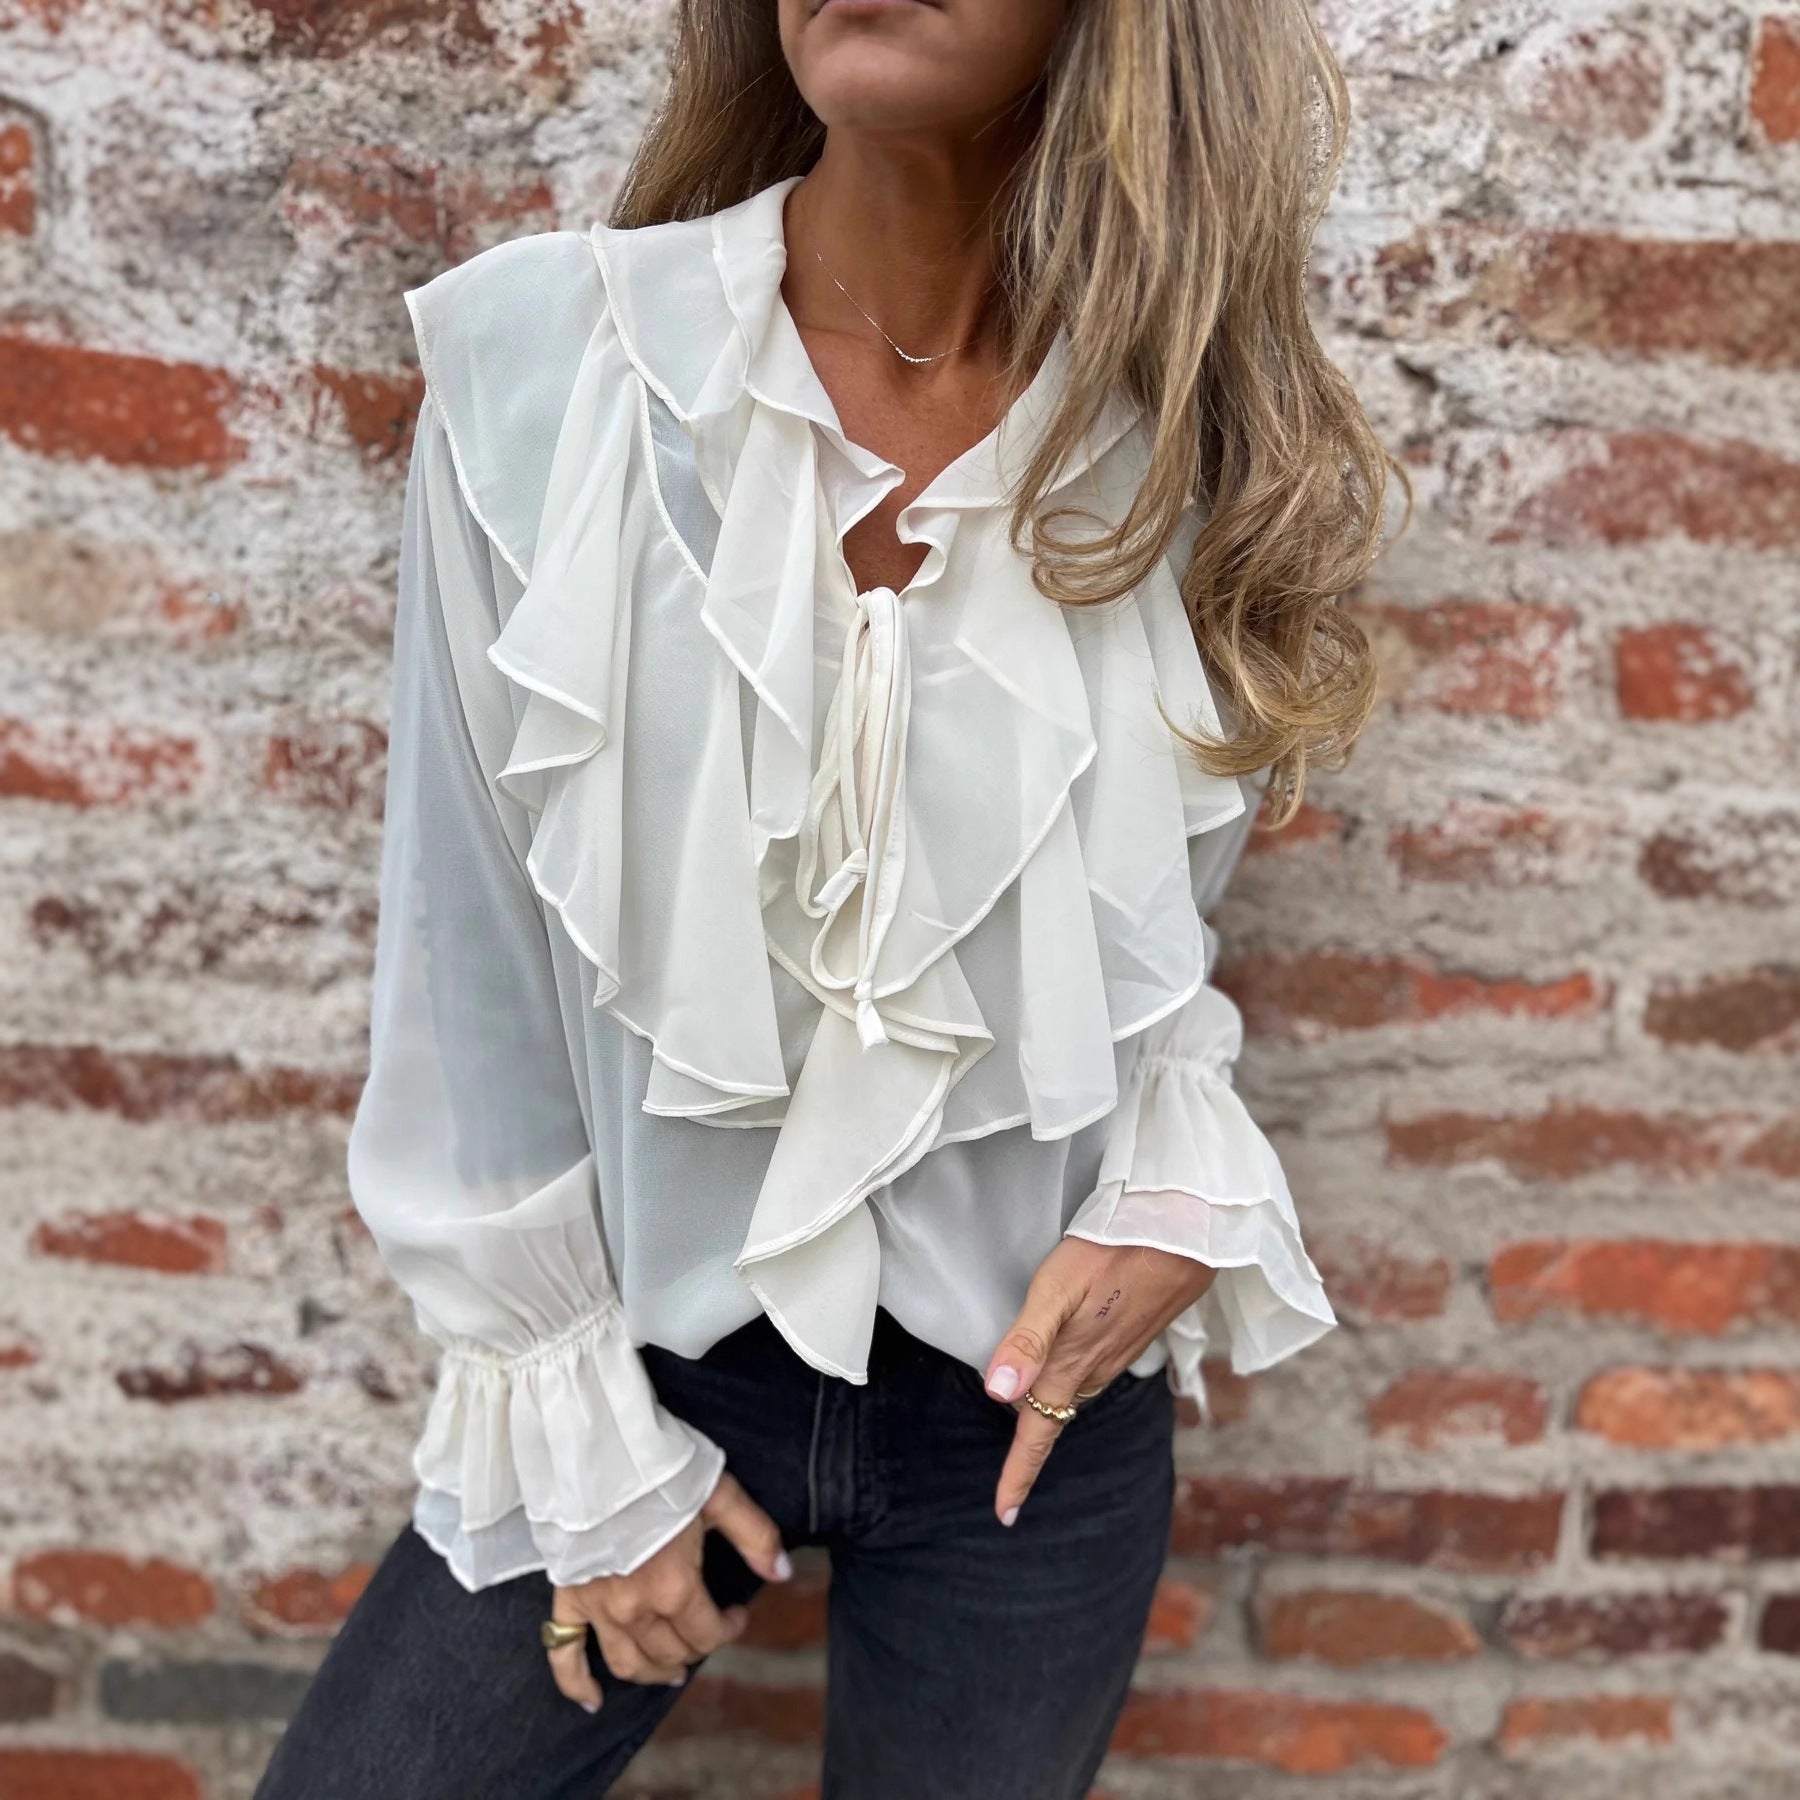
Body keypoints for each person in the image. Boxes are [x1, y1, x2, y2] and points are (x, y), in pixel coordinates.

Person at [255, 1, 1391, 1794]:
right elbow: (470, 960)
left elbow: (1154, 957)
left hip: (1034, 1420)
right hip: (646, 1369)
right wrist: (585, 1444)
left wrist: (1181, 1195)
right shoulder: (552, 366)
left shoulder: (1184, 423)